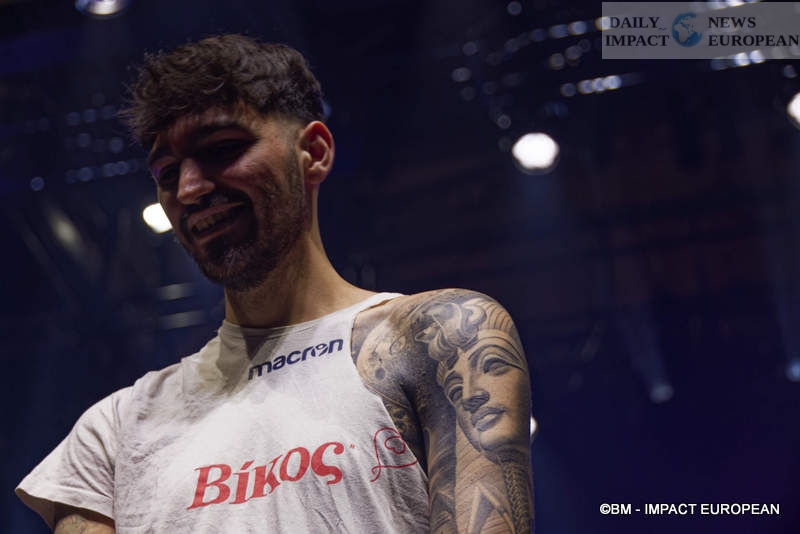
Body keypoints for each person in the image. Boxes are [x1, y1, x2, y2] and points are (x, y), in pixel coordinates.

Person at [16, 34, 534, 534]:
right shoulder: (112, 430)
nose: (189, 189)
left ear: (315, 152)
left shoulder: (439, 336)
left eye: (221, 149)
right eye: (168, 173)